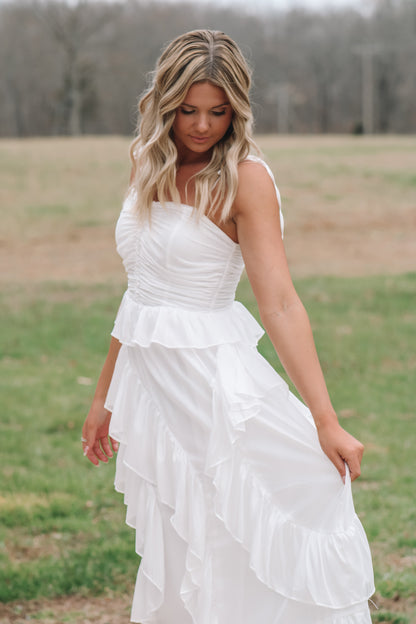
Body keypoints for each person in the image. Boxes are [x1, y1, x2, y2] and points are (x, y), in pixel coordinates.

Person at [82, 29, 374, 624]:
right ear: (164, 102)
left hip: (217, 392)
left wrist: (326, 420)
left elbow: (282, 304)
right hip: (157, 397)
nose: (201, 126)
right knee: (179, 538)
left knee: (234, 536)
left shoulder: (246, 178)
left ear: (237, 109)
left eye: (218, 112)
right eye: (187, 110)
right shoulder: (145, 161)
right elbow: (140, 292)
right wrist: (104, 397)